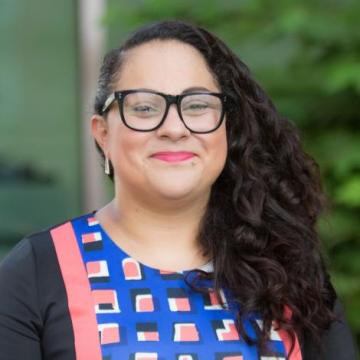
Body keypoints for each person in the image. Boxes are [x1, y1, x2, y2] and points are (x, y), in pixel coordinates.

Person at [0, 20, 358, 360]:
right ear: (103, 134)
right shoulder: (39, 271)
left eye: (197, 105)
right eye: (144, 107)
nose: (174, 127)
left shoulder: (285, 269)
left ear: (227, 130)